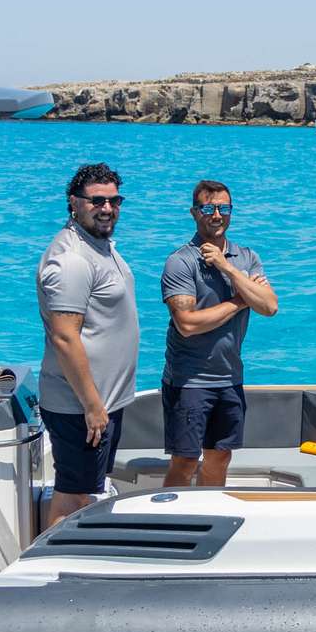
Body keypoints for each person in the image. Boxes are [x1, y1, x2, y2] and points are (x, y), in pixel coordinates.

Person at [36, 163, 139, 527]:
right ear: (74, 203)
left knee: (87, 492)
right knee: (74, 499)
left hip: (102, 404)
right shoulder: (72, 260)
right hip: (81, 407)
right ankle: (54, 577)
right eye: (96, 201)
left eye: (114, 200)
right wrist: (93, 406)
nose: (107, 208)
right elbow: (64, 337)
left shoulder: (99, 246)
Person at [159, 180, 278, 488]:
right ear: (194, 213)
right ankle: (170, 523)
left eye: (224, 208)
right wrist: (241, 300)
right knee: (184, 461)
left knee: (220, 456)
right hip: (189, 381)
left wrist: (228, 269)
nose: (216, 215)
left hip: (229, 378)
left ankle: (207, 515)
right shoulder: (181, 262)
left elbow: (269, 306)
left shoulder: (246, 258)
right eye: (208, 208)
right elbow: (187, 324)